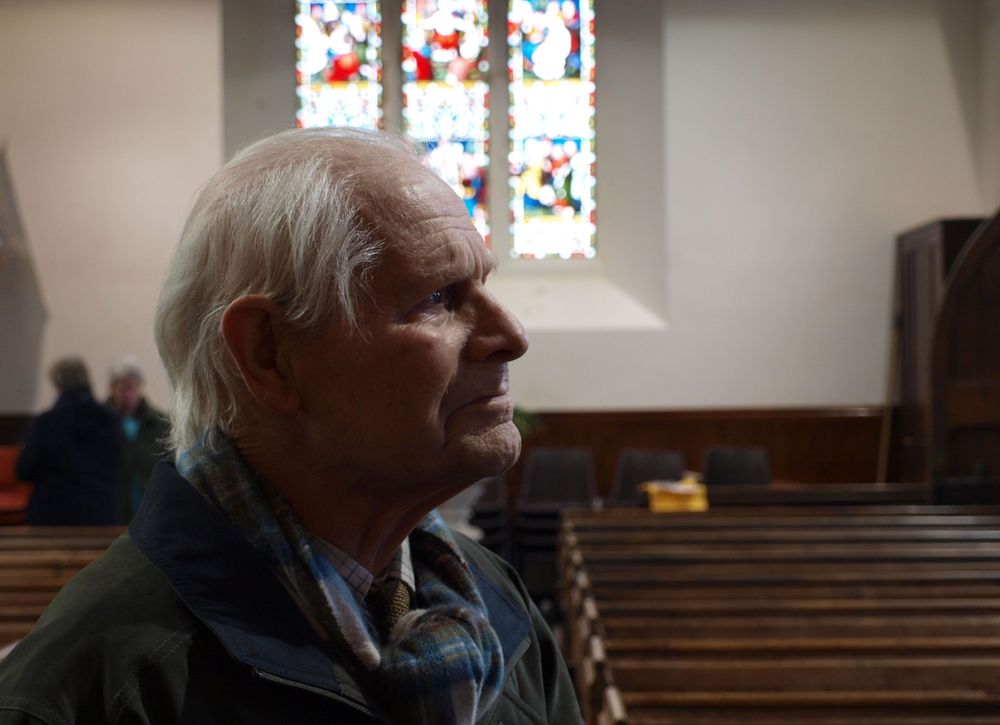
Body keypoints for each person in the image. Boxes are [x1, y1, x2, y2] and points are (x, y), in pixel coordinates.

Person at [0, 128, 581, 724]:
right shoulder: (96, 688)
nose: (511, 337)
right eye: (436, 296)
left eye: (485, 284)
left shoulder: (496, 603)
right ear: (269, 353)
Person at [14, 357, 123, 526]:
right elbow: (121, 464)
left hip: (54, 516)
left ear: (58, 384)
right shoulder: (110, 420)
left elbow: (24, 470)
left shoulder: (47, 422)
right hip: (102, 514)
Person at [106, 356, 170, 522]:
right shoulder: (100, 423)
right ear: (112, 388)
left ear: (140, 387)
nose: (128, 394)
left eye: (132, 388)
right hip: (112, 507)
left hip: (149, 506)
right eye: (122, 388)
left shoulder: (160, 423)